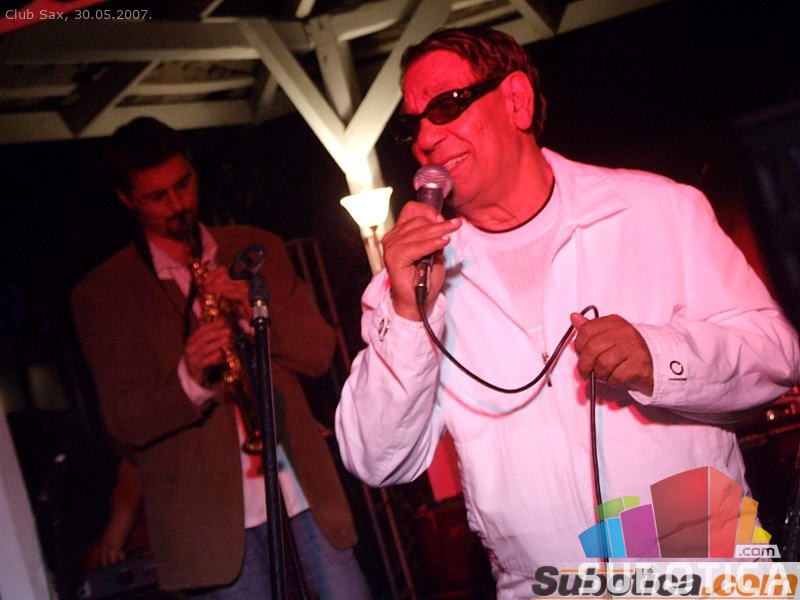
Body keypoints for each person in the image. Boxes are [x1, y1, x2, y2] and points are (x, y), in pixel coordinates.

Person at [335, 27, 800, 597]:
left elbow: (776, 355)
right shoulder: (408, 285)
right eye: (413, 126)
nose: (426, 139)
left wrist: (660, 356)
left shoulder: (655, 209)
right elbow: (376, 460)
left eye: (448, 106)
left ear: (516, 100)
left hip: (702, 558)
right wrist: (408, 315)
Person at [72, 117, 372, 599]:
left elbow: (319, 352)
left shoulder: (256, 247)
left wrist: (256, 311)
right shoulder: (104, 294)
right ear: (127, 200)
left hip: (302, 493)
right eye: (157, 196)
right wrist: (189, 379)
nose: (177, 204)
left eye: (183, 185)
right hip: (205, 524)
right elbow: (123, 423)